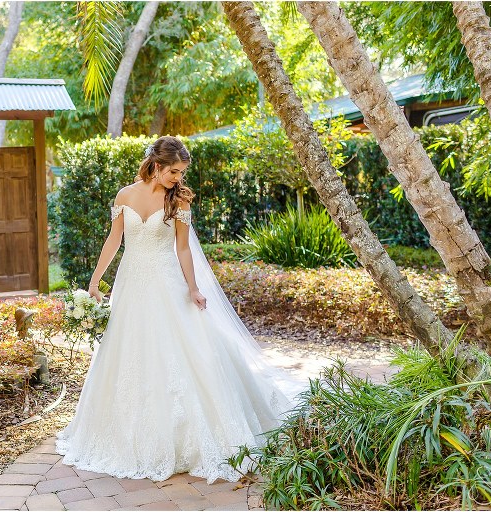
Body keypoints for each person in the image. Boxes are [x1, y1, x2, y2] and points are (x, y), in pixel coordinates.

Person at [55, 136, 308, 485]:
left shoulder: (180, 201)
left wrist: (192, 288)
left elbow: (184, 250)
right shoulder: (125, 196)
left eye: (181, 172)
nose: (178, 178)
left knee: (177, 349)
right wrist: (96, 280)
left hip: (166, 281)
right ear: (156, 165)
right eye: (173, 171)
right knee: (129, 351)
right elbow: (114, 239)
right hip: (131, 283)